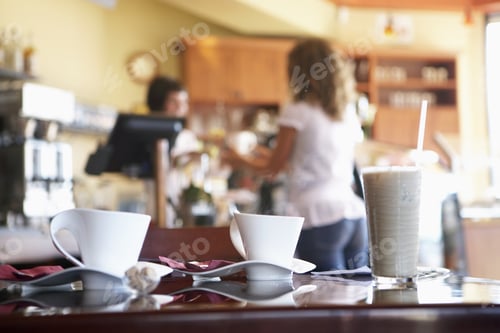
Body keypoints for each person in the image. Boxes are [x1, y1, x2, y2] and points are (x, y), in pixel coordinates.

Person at [224, 38, 369, 271]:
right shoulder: (345, 112)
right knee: (356, 296)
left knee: (324, 297)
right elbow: (302, 157)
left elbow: (273, 168)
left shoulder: (296, 111)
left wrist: (236, 159)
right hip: (353, 215)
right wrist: (256, 152)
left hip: (318, 216)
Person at [146, 75, 201, 227]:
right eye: (173, 102)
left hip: (180, 210)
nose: (180, 108)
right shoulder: (146, 134)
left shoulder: (188, 137)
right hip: (149, 209)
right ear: (159, 102)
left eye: (184, 102)